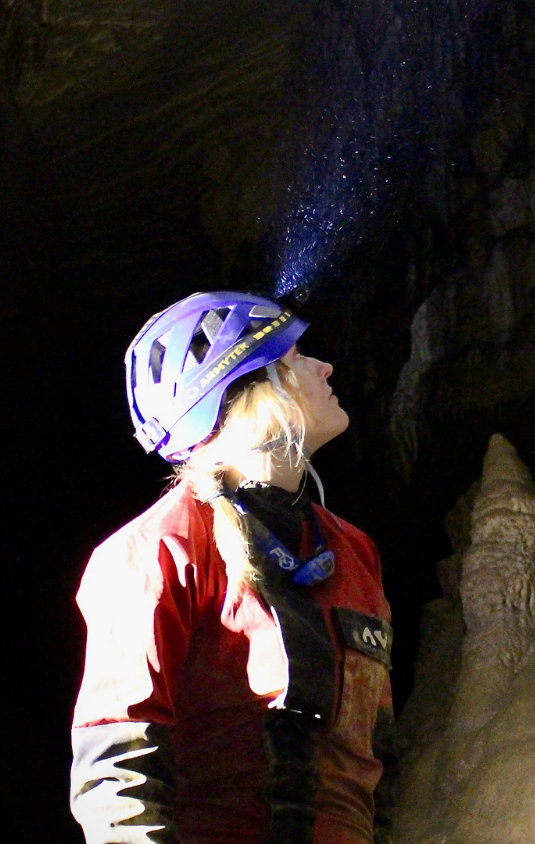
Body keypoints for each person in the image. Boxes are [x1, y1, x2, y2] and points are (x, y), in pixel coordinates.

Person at [69, 292, 398, 844]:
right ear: (247, 396)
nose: (325, 365)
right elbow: (117, 782)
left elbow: (376, 761)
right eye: (295, 359)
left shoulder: (354, 552)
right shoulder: (156, 552)